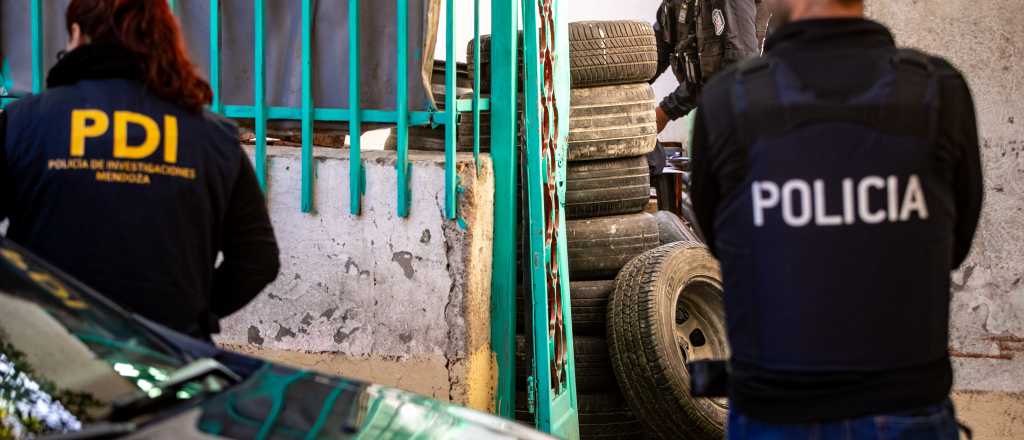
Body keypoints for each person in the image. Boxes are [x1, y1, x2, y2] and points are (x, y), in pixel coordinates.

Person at [689, 0, 983, 438]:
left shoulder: (727, 101)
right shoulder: (939, 91)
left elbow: (724, 244)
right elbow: (953, 246)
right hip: (905, 410)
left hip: (776, 414)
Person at [0, 0, 280, 341]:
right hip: (170, 358)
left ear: (77, 33)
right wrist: (193, 314)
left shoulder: (24, 121)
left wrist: (18, 308)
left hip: (50, 353)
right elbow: (257, 258)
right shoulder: (213, 136)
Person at [649, 0, 766, 211]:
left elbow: (739, 72)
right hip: (714, 124)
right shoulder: (674, 7)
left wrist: (666, 111)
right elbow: (647, 59)